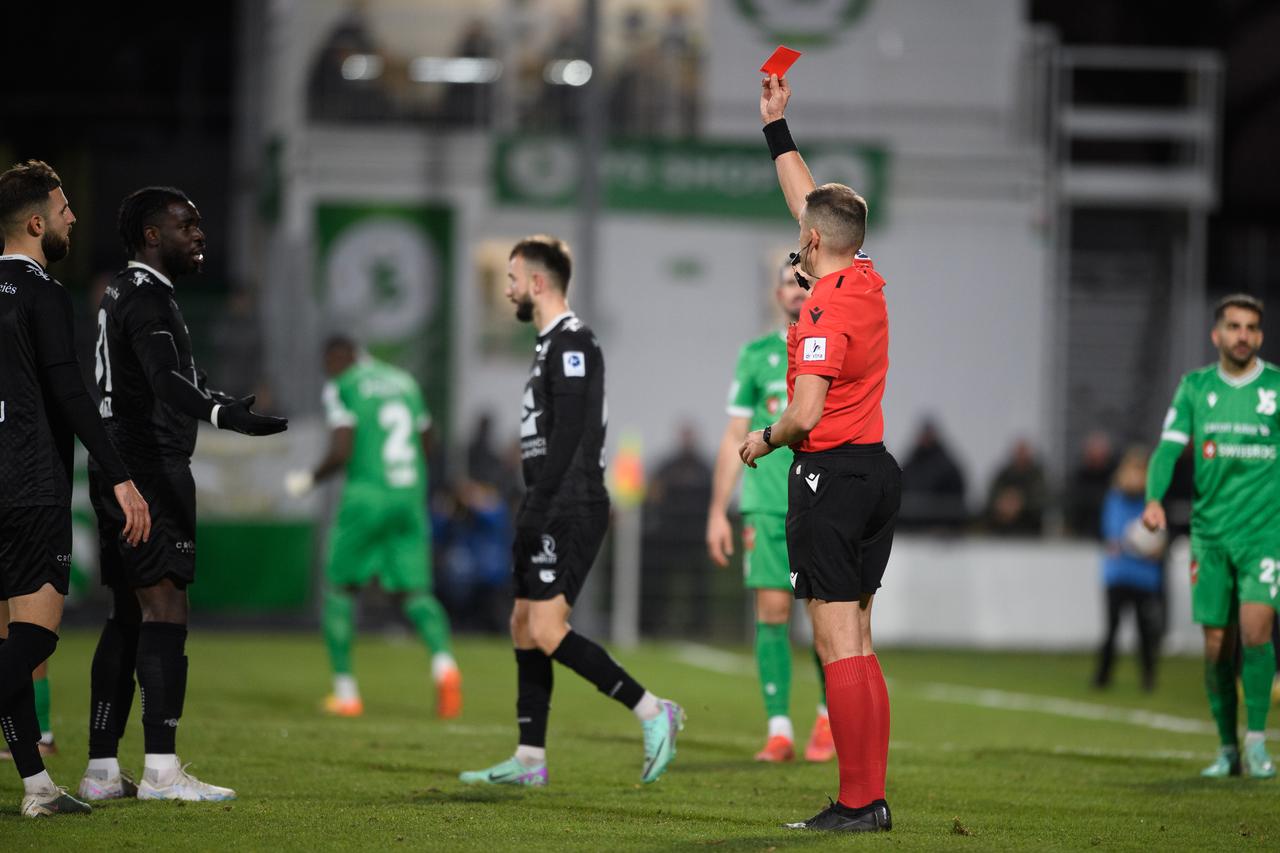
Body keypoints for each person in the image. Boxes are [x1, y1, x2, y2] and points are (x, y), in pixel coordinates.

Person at [78, 186, 287, 804]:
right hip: (148, 471)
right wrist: (223, 420)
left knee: (125, 616)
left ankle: (100, 768)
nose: (199, 234)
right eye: (185, 224)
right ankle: (163, 771)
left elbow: (179, 378)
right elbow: (168, 382)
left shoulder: (126, 289)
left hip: (116, 463)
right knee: (165, 611)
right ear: (151, 236)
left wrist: (223, 403)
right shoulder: (147, 297)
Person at [460, 235, 683, 787]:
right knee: (522, 623)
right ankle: (530, 759)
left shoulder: (573, 341)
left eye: (512, 279)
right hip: (547, 501)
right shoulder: (546, 346)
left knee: (547, 627)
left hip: (571, 503)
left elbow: (572, 433)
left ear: (537, 283)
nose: (507, 289)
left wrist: (536, 506)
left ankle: (653, 711)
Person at [739, 75, 900, 833]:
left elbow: (803, 415)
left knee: (836, 644)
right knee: (860, 642)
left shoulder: (820, 312)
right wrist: (778, 128)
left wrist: (760, 440)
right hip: (875, 470)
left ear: (809, 244)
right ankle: (868, 794)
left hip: (829, 476)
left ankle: (858, 800)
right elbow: (812, 205)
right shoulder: (863, 276)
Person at [0, 159, 151, 817]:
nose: (72, 218)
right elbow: (69, 394)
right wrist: (121, 475)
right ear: (35, 223)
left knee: (10, 644)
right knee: (32, 641)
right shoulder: (42, 294)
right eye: (63, 210)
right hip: (29, 485)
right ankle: (35, 787)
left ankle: (35, 786)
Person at [284, 336, 461, 719]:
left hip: (366, 496)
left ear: (336, 357)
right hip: (409, 496)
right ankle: (445, 665)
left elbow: (341, 450)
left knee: (340, 589)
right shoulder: (404, 381)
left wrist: (308, 480)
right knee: (415, 592)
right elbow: (429, 439)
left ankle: (346, 693)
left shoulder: (343, 385)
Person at [1144, 293, 1280, 779]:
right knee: (1217, 645)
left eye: (1251, 327)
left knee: (1256, 630)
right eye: (1234, 326)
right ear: (1217, 334)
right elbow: (1167, 450)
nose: (1243, 335)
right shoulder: (1195, 388)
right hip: (1211, 535)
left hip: (1265, 533)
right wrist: (1155, 499)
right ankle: (1227, 749)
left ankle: (1258, 743)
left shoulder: (1276, 389)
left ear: (1259, 336)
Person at [706, 260, 834, 763]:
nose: (794, 289)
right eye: (787, 282)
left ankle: (827, 720)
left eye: (802, 281)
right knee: (772, 613)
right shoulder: (756, 356)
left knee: (827, 622)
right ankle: (779, 729)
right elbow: (733, 436)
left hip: (820, 500)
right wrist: (718, 509)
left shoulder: (828, 347)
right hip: (764, 505)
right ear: (776, 294)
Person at [1092, 448, 1164, 691]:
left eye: (1141, 471)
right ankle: (1102, 677)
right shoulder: (1115, 498)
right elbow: (1114, 533)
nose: (1136, 477)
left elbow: (1159, 535)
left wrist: (1157, 545)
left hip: (1144, 577)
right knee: (1112, 627)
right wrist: (1138, 543)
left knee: (1145, 631)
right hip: (1118, 574)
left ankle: (1148, 679)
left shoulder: (1152, 502)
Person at [898, 417, 968, 532]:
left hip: (939, 535)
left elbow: (955, 503)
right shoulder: (910, 465)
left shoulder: (948, 468)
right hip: (910, 532)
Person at [982, 439, 1047, 536]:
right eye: (1018, 453)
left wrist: (1020, 503)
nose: (1020, 456)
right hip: (1001, 529)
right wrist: (1004, 503)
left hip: (1030, 529)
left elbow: (1042, 498)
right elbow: (992, 495)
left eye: (1023, 453)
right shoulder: (1004, 474)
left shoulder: (1037, 475)